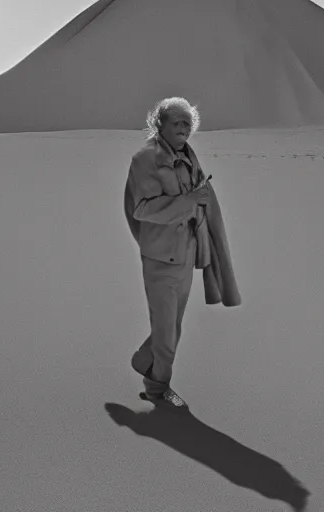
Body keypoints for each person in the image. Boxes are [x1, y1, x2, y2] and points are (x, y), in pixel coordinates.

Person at [123, 97, 213, 407]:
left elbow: (197, 198)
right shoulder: (146, 159)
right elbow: (142, 209)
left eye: (188, 123)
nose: (184, 128)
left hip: (184, 255)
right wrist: (190, 202)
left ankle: (144, 364)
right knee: (166, 333)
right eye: (176, 122)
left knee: (172, 328)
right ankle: (157, 391)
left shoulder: (187, 155)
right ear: (159, 123)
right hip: (161, 259)